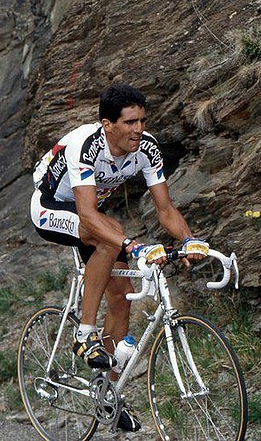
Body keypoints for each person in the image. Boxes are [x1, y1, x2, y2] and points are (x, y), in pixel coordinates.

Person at [30, 83, 209, 431]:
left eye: (142, 121)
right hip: (49, 206)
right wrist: (134, 246)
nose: (138, 129)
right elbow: (86, 214)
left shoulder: (147, 148)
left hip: (91, 215)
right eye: (129, 123)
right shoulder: (86, 144)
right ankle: (84, 334)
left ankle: (107, 395)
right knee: (110, 238)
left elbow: (166, 209)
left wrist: (189, 241)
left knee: (122, 298)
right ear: (107, 124)